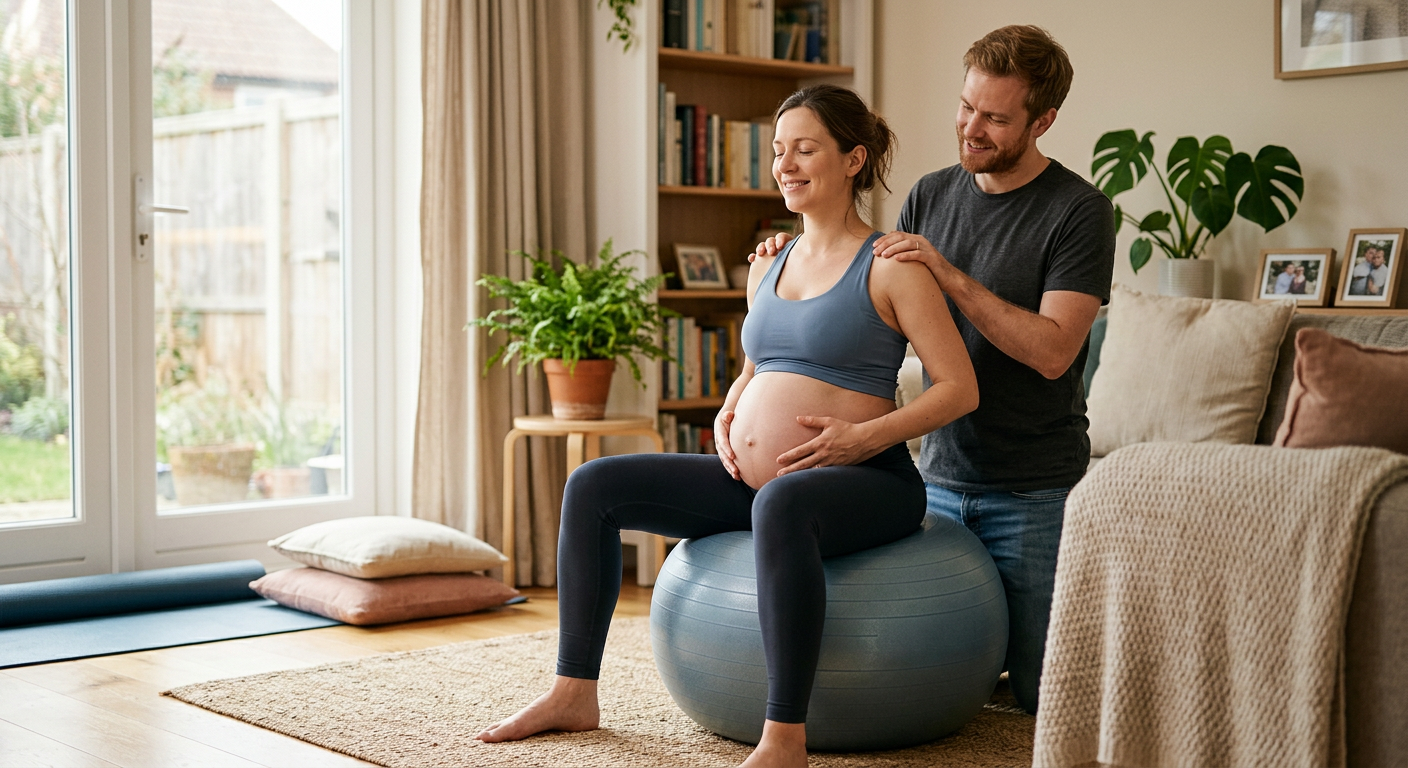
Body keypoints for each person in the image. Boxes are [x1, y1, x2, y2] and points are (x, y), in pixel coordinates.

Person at [477, 85, 979, 768]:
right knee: (595, 484)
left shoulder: (891, 265)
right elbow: (758, 366)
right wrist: (728, 409)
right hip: (763, 480)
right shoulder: (769, 261)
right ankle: (573, 690)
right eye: (778, 151)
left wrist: (863, 438)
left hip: (868, 478)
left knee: (782, 501)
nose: (786, 164)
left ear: (854, 158)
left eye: (805, 148)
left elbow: (959, 389)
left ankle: (784, 740)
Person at [753, 26, 1115, 715]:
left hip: (1032, 491)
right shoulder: (930, 194)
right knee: (938, 683)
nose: (971, 128)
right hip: (935, 479)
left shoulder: (1079, 211)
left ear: (1043, 121)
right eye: (966, 106)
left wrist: (950, 274)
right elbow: (868, 302)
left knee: (1043, 699)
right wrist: (791, 254)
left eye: (995, 118)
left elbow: (1053, 351)